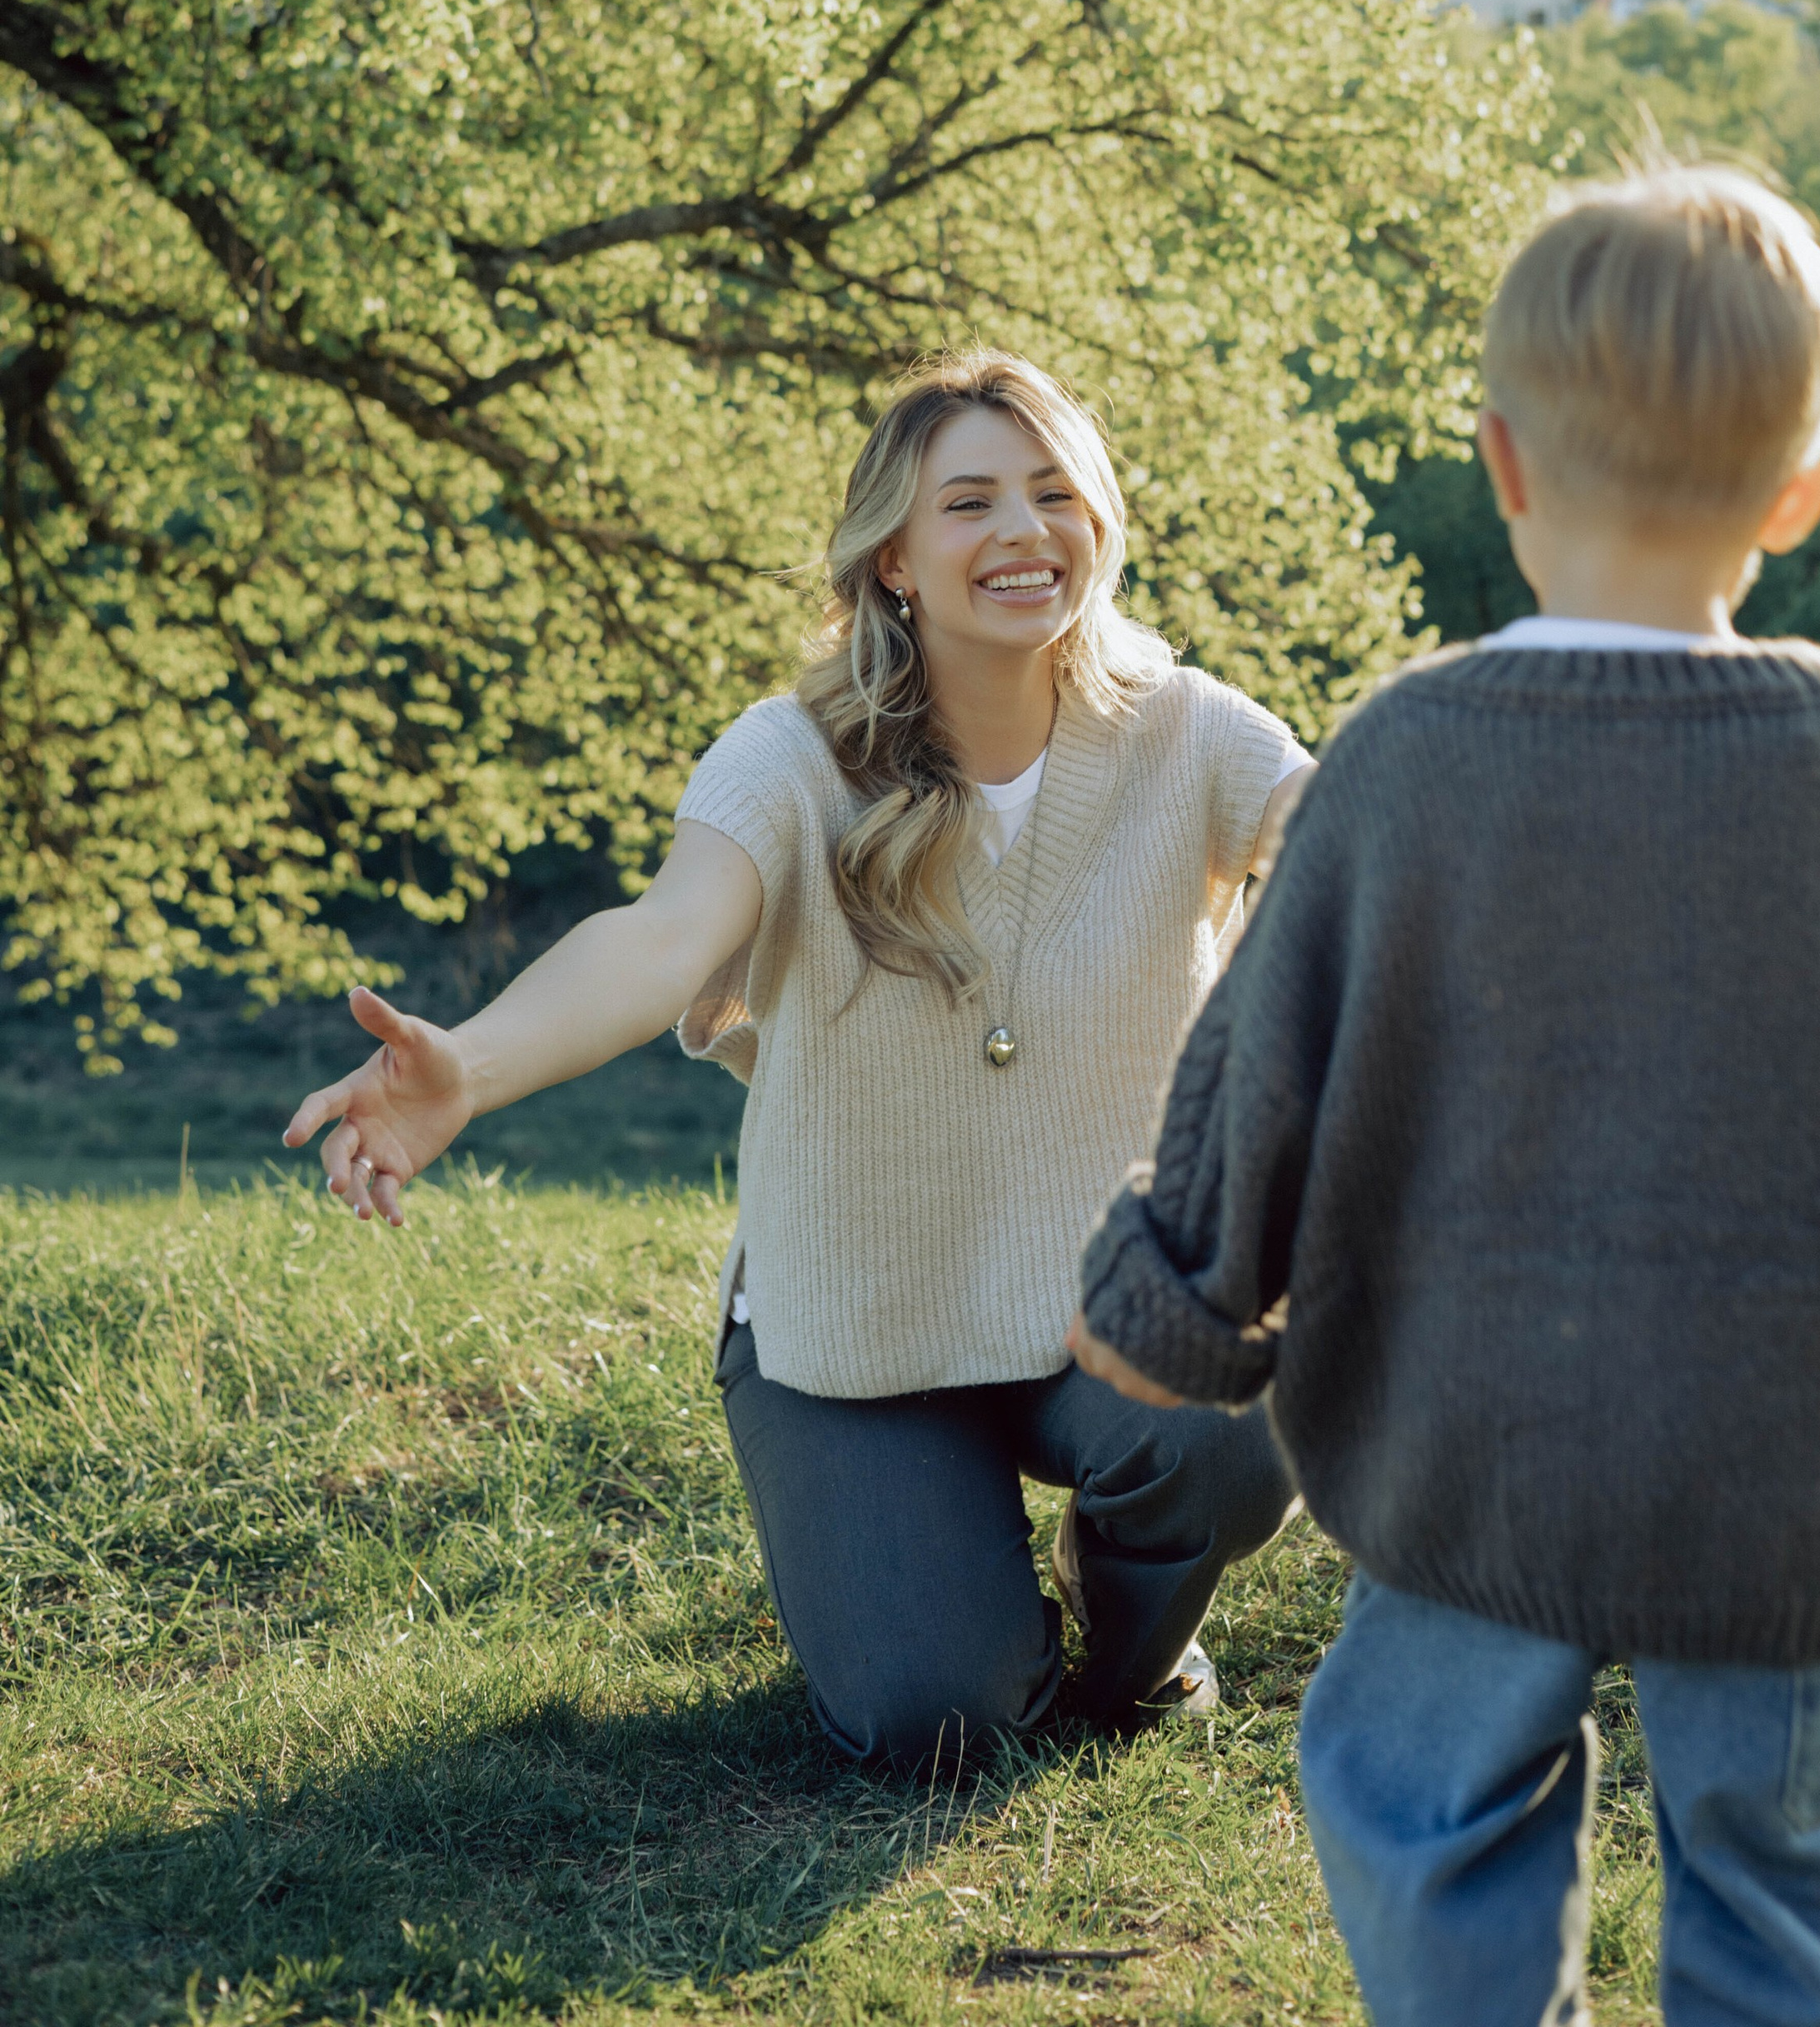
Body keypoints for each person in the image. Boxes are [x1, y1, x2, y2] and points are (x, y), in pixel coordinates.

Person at [1070, 166, 1820, 2027]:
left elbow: (1256, 1064)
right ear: (1802, 494)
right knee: (1801, 1863)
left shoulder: (1398, 766)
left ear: (1496, 462)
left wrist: (1178, 1296)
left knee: (1424, 1805)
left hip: (1472, 1434)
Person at [285, 348, 1309, 1765]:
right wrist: (470, 1061)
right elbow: (655, 945)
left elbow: (1358, 851)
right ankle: (961, 1621)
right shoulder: (788, 757)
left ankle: (1133, 1650)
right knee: (937, 1726)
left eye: (1053, 493)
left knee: (1234, 1420)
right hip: (854, 1325)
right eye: (970, 504)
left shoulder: (1190, 731)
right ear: (892, 555)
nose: (1023, 531)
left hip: (1103, 1305)